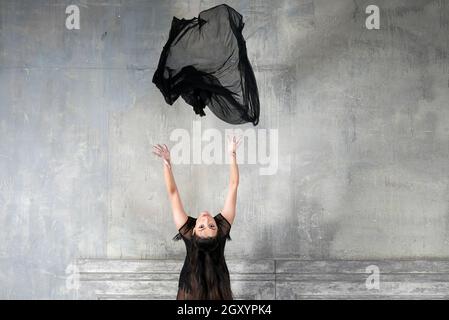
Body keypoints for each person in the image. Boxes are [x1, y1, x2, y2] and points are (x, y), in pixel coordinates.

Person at [152, 136, 241, 299]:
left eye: (202, 226)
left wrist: (167, 165)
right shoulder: (223, 227)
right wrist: (232, 153)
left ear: (193, 231)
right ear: (218, 229)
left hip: (193, 284)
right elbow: (234, 185)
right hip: (206, 285)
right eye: (212, 226)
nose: (207, 220)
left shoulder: (186, 229)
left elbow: (172, 194)